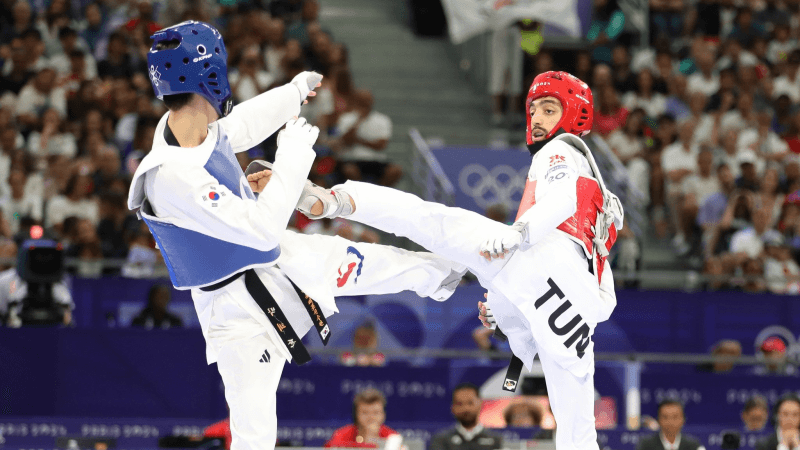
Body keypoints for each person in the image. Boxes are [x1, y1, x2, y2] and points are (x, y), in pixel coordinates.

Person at [127, 21, 464, 450]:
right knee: (255, 433)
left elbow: (242, 125)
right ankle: (444, 274)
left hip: (271, 264)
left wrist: (291, 93)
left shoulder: (188, 127)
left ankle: (449, 272)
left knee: (358, 260)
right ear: (209, 75)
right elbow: (263, 231)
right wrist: (292, 158)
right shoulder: (172, 176)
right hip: (235, 313)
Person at [301, 71, 623, 450]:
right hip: (574, 311)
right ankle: (444, 280)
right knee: (578, 434)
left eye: (549, 109)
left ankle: (337, 201)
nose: (536, 119)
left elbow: (562, 201)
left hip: (539, 259)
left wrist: (518, 232)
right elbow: (574, 289)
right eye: (533, 109)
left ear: (574, 117)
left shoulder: (561, 150)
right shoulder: (595, 183)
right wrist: (509, 318)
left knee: (433, 222)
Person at [429, 383, 503, 450]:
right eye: (460, 404)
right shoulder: (441, 440)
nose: (466, 409)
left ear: (481, 404)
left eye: (470, 403)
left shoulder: (496, 440)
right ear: (453, 408)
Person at [325, 388, 399, 448]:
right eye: (365, 412)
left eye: (376, 413)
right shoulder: (342, 434)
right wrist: (367, 444)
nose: (371, 417)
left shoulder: (392, 437)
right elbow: (330, 447)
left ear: (383, 415)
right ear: (356, 414)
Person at [636, 400, 705, 450]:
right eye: (665, 417)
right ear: (658, 420)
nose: (670, 422)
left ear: (683, 420)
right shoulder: (646, 446)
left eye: (675, 417)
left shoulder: (694, 446)